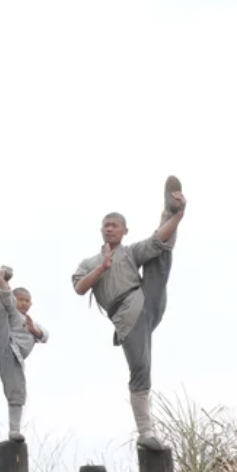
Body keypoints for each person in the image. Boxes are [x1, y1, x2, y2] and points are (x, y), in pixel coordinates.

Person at [72, 176, 186, 450]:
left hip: (147, 297)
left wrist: (179, 216)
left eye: (115, 226)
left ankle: (169, 211)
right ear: (101, 230)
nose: (110, 229)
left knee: (159, 252)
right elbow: (79, 288)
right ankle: (146, 433)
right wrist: (102, 268)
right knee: (141, 370)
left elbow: (157, 240)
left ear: (124, 231)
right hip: (127, 314)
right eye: (106, 225)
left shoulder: (131, 252)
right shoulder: (90, 262)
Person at [0, 266, 48, 442]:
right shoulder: (13, 313)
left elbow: (46, 336)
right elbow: (7, 303)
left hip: (12, 358)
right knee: (0, 309)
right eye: (21, 300)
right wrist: (3, 284)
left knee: (18, 390)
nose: (24, 303)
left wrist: (34, 330)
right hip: (2, 341)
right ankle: (1, 282)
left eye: (27, 301)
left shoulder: (30, 322)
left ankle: (14, 430)